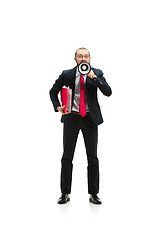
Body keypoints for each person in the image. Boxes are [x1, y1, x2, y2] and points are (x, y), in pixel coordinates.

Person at [49, 47, 112, 205]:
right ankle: (64, 193)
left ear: (90, 58)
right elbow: (53, 91)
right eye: (80, 56)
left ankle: (94, 194)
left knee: (92, 157)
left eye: (86, 56)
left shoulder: (97, 72)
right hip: (72, 118)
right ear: (75, 59)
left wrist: (95, 78)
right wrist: (58, 107)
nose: (83, 59)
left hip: (90, 119)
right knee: (67, 156)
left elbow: (108, 92)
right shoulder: (67, 74)